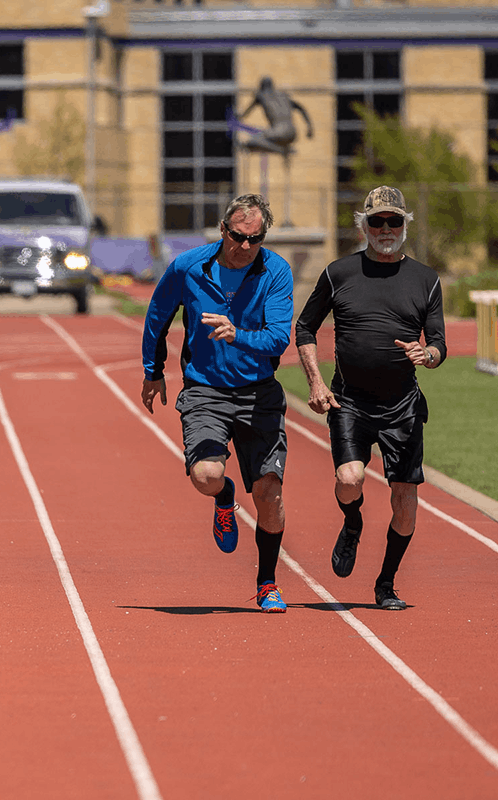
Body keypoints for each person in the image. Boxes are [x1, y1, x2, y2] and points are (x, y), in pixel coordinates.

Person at [140, 194, 295, 613]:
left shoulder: (276, 272)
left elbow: (280, 337)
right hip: (205, 389)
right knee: (206, 475)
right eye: (237, 236)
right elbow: (158, 315)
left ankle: (267, 583)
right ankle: (224, 496)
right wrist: (153, 371)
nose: (244, 246)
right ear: (222, 229)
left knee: (270, 494)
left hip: (259, 392)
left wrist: (238, 334)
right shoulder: (189, 267)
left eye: (255, 239)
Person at [295, 186, 446, 611]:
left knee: (405, 505)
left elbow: (438, 343)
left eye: (393, 221)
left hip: (402, 407)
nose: (385, 229)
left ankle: (385, 584)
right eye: (376, 221)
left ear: (404, 225)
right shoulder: (338, 273)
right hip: (350, 402)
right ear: (364, 225)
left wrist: (428, 355)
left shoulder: (426, 279)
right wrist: (315, 383)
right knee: (349, 481)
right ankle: (353, 520)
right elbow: (304, 328)